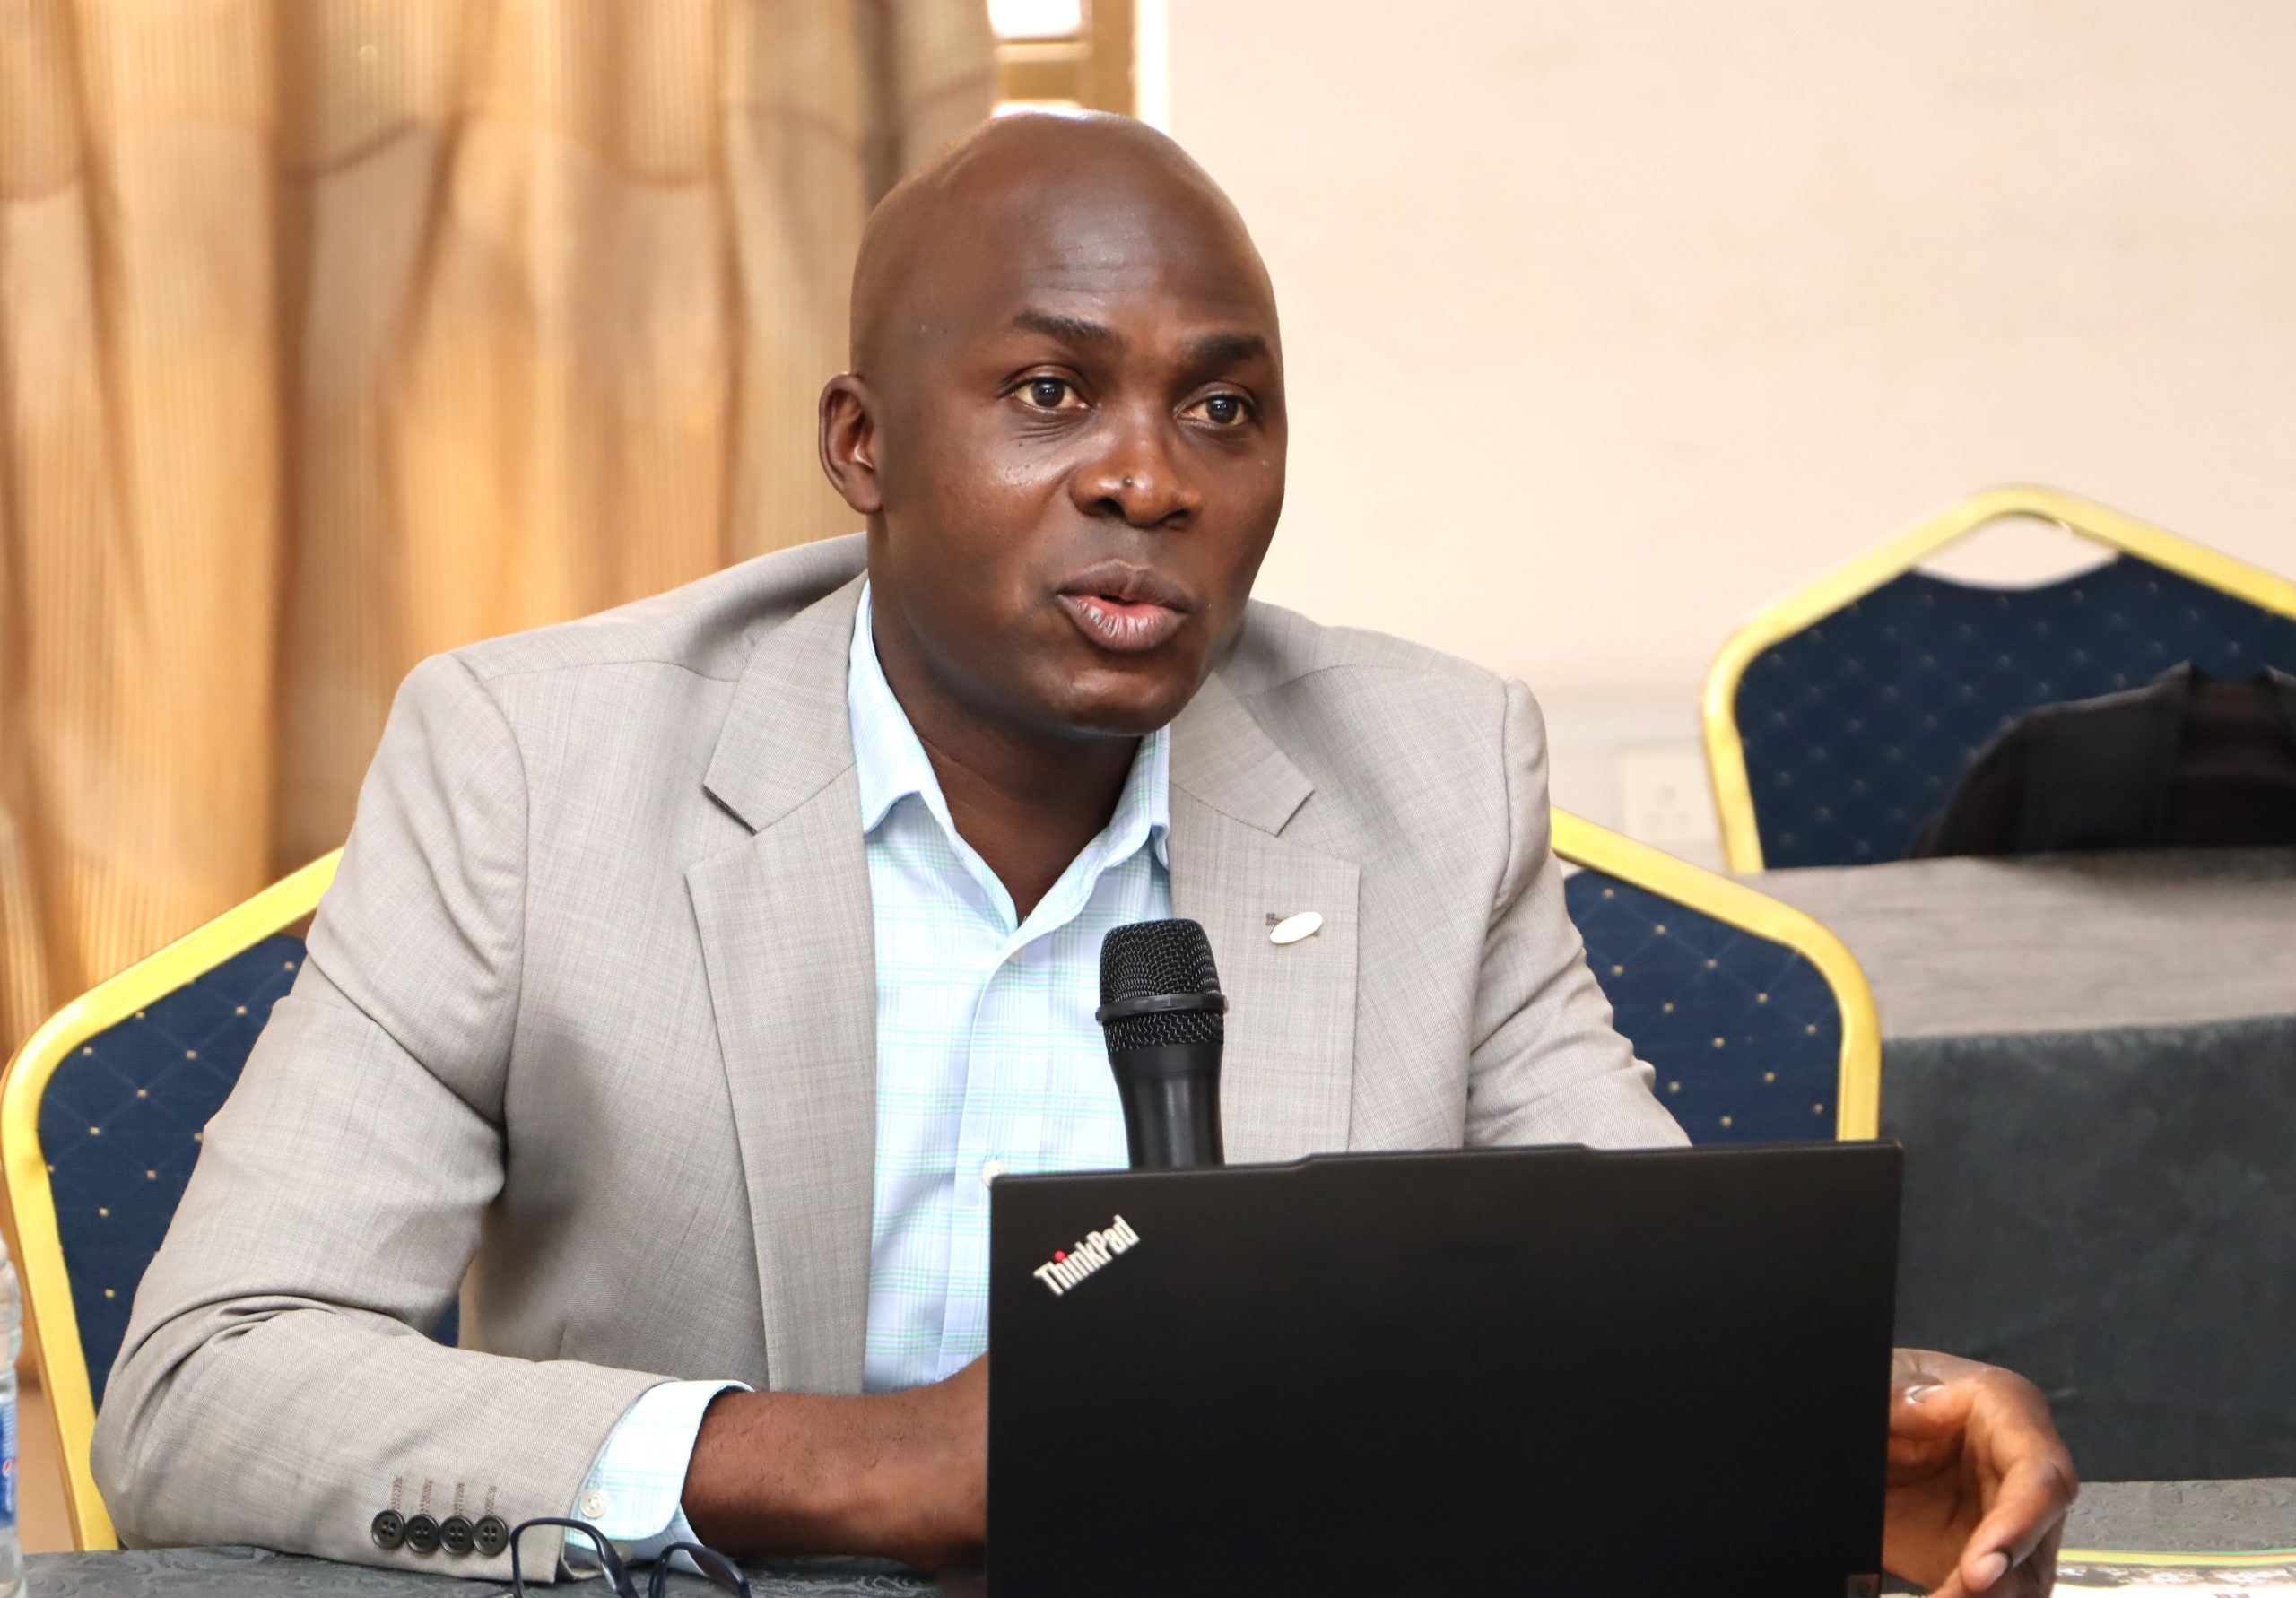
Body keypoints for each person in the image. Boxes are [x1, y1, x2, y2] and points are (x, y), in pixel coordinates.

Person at [92, 111, 2076, 1594]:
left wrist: (1852, 1422)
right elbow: (208, 1380)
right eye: (1050, 393)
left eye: (1223, 409)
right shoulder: (539, 761)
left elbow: (1636, 1286)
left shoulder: (1426, 766)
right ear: (862, 445)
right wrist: (852, 1467)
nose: (1149, 476)